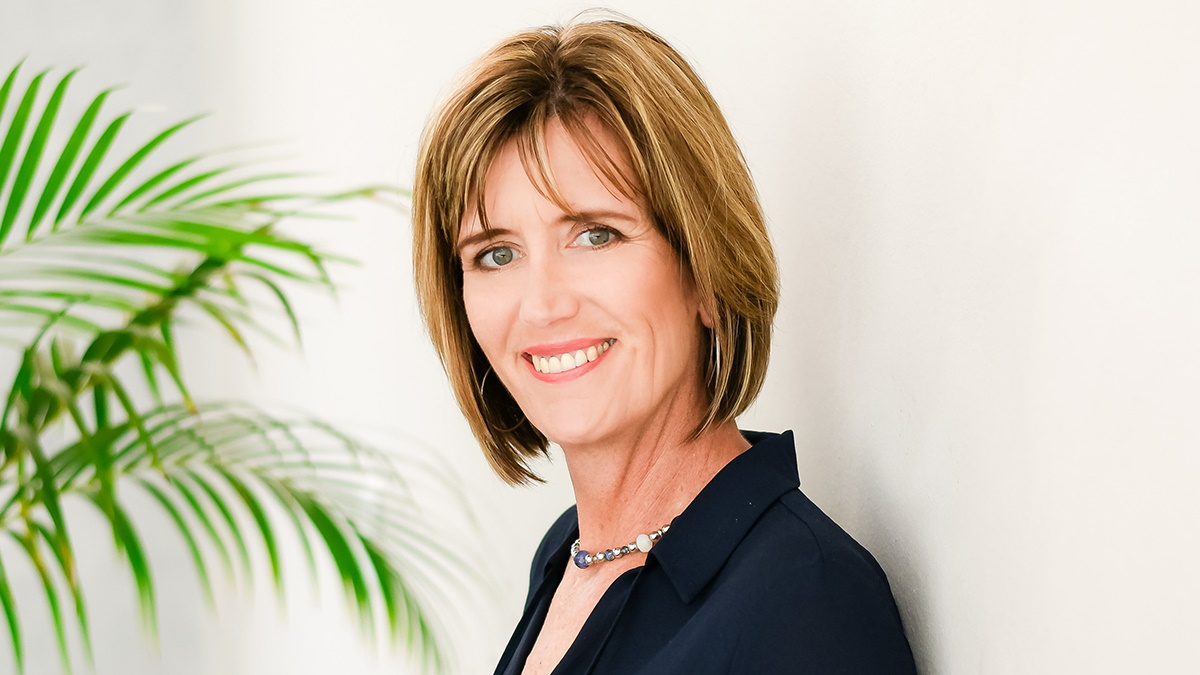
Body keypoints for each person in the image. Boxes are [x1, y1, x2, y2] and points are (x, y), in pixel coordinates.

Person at [412, 14, 917, 674]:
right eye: (496, 253)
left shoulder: (804, 602)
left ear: (706, 270)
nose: (541, 305)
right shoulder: (569, 555)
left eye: (595, 235)